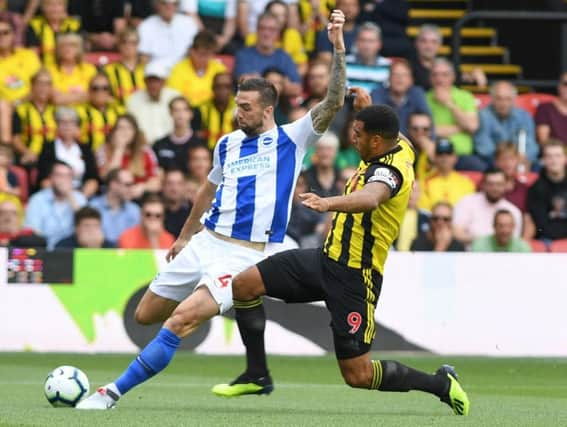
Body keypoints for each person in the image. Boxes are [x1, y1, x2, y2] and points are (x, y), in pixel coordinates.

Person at [76, 8, 347, 410]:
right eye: (238, 106)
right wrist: (186, 235)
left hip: (246, 255)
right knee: (146, 315)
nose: (240, 113)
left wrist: (337, 46)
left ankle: (110, 393)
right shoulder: (227, 144)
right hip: (206, 241)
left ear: (268, 109)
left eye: (247, 108)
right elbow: (207, 188)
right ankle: (220, 304)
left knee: (178, 321)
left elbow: (335, 98)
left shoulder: (294, 137)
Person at [211, 104, 470, 416]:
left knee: (357, 375)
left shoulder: (389, 171)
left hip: (355, 278)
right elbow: (391, 127)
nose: (353, 139)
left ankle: (440, 384)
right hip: (325, 260)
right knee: (244, 284)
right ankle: (257, 375)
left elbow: (371, 197)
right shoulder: (402, 146)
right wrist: (366, 102)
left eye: (359, 135)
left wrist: (327, 203)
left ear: (376, 141)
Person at [426, 58, 480, 171]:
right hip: (434, 155)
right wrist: (460, 128)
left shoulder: (465, 96)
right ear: (430, 78)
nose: (439, 79)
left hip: (462, 156)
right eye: (435, 75)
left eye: (445, 75)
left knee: (478, 166)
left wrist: (449, 103)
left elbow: (472, 126)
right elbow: (426, 131)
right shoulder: (424, 98)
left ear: (453, 77)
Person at [233, 12, 302, 97]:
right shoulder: (244, 55)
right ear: (257, 31)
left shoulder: (284, 57)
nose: (266, 33)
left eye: (271, 29)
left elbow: (296, 89)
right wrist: (280, 82)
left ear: (278, 33)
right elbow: (244, 83)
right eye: (262, 28)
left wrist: (259, 79)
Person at [36, 107, 99, 198]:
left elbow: (93, 179)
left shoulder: (86, 149)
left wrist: (81, 198)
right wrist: (63, 196)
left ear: (77, 126)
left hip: (81, 193)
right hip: (55, 194)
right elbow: (44, 179)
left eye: (71, 123)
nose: (67, 126)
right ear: (57, 126)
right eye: (63, 122)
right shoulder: (48, 147)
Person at [24, 160, 87, 249]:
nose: (64, 180)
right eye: (59, 175)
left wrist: (70, 196)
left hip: (73, 250)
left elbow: (86, 225)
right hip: (46, 251)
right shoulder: (37, 199)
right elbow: (32, 231)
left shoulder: (79, 198)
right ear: (51, 178)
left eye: (68, 176)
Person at [97, 114, 160, 199]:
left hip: (138, 197)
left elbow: (156, 183)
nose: (125, 132)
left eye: (129, 128)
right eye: (121, 128)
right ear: (114, 131)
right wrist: (119, 148)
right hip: (113, 197)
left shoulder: (145, 151)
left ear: (135, 132)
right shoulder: (104, 149)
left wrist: (143, 187)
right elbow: (107, 178)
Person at [453, 168, 522, 245]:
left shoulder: (513, 211)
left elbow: (513, 241)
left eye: (499, 184)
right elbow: (456, 233)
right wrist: (483, 241)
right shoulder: (467, 202)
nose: (495, 188)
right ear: (483, 185)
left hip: (501, 255)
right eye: (490, 184)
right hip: (469, 253)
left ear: (505, 185)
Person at [474, 81, 538, 166]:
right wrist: (505, 160)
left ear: (514, 99)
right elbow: (484, 147)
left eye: (508, 99)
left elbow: (531, 145)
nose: (503, 103)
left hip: (520, 160)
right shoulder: (483, 115)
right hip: (492, 161)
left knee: (539, 166)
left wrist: (522, 158)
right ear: (492, 99)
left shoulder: (524, 115)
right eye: (499, 98)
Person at [245, 0, 307, 76]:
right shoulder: (253, 37)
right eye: (275, 15)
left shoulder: (293, 35)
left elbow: (303, 66)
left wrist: (288, 79)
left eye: (283, 15)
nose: (280, 19)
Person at [370, 59, 432, 135]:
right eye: (395, 74)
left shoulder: (417, 94)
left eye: (404, 75)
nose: (400, 78)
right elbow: (377, 124)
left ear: (411, 80)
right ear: (389, 78)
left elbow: (429, 123)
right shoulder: (377, 94)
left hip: (413, 143)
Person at [166, 30, 227, 107]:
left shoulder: (219, 69)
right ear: (192, 51)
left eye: (209, 54)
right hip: (187, 112)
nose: (206, 58)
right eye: (202, 54)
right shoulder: (178, 69)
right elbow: (174, 98)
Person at [126, 60, 181, 144]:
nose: (153, 85)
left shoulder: (175, 97)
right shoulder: (134, 99)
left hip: (172, 145)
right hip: (144, 147)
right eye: (150, 81)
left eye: (157, 81)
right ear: (145, 82)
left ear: (164, 82)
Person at [137, 0, 198, 73]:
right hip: (156, 72)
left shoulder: (189, 23)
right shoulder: (146, 25)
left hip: (184, 72)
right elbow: (144, 57)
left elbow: (195, 51)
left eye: (174, 4)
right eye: (164, 3)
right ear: (156, 4)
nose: (169, 7)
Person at [11, 68, 56, 165]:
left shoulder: (56, 110)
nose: (43, 88)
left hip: (53, 157)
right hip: (29, 155)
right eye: (40, 83)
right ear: (32, 86)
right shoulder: (21, 110)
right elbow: (15, 139)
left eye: (47, 84)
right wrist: (27, 152)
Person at [417, 138, 476, 211]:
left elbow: (470, 209)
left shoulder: (466, 183)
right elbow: (424, 211)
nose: (444, 157)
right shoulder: (425, 182)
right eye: (440, 154)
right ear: (434, 157)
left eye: (448, 153)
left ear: (455, 157)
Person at [527, 140, 567, 241]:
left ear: (565, 159)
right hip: (547, 239)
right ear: (543, 160)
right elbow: (541, 225)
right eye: (549, 156)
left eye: (558, 156)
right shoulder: (536, 188)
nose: (554, 161)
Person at [153, 97, 206, 173]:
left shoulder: (200, 143)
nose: (180, 114)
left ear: (190, 114)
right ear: (170, 113)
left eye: (184, 110)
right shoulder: (159, 145)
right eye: (176, 110)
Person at [89, 169, 141, 244]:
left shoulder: (135, 210)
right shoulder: (93, 207)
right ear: (114, 185)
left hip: (127, 254)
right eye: (128, 185)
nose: (131, 189)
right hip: (99, 253)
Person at [76, 73, 125, 151]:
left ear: (109, 91)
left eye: (105, 88)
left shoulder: (120, 112)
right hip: (89, 157)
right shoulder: (79, 113)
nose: (100, 92)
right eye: (95, 88)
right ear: (89, 91)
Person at [25, 0, 81, 67]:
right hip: (43, 71)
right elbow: (33, 55)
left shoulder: (74, 25)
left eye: (59, 4)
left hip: (70, 70)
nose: (54, 8)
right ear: (43, 7)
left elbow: (79, 53)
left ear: (65, 7)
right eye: (49, 4)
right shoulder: (35, 25)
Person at [47, 33, 97, 106]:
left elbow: (95, 95)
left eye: (73, 45)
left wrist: (64, 95)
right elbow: (55, 99)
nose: (68, 49)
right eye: (64, 46)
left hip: (86, 112)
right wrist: (82, 96)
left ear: (79, 49)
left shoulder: (89, 69)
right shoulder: (49, 70)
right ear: (58, 50)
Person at [0, 16, 41, 103]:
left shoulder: (28, 55)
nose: (1, 36)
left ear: (13, 35)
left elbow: (41, 84)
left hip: (30, 104)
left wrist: (18, 103)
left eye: (5, 32)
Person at [103, 28, 146, 107]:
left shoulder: (147, 70)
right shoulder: (109, 70)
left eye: (133, 43)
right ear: (119, 45)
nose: (128, 46)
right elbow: (104, 96)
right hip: (119, 114)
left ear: (138, 45)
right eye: (124, 42)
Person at [345, 22, 391, 93]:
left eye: (371, 41)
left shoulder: (388, 66)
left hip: (378, 103)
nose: (366, 45)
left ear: (379, 44)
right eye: (363, 40)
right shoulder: (344, 63)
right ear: (356, 42)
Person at [199, 72, 236, 150]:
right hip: (206, 155)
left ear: (232, 89)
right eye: (218, 86)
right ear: (212, 88)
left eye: (227, 86)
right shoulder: (201, 109)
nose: (222, 90)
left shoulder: (238, 109)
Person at [535, 71, 567, 146]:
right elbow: (543, 141)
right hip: (554, 155)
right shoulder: (545, 109)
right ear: (559, 86)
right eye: (566, 84)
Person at [162, 168, 192, 237]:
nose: (174, 188)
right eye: (170, 183)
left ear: (185, 187)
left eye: (179, 184)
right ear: (163, 186)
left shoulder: (193, 211)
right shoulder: (155, 211)